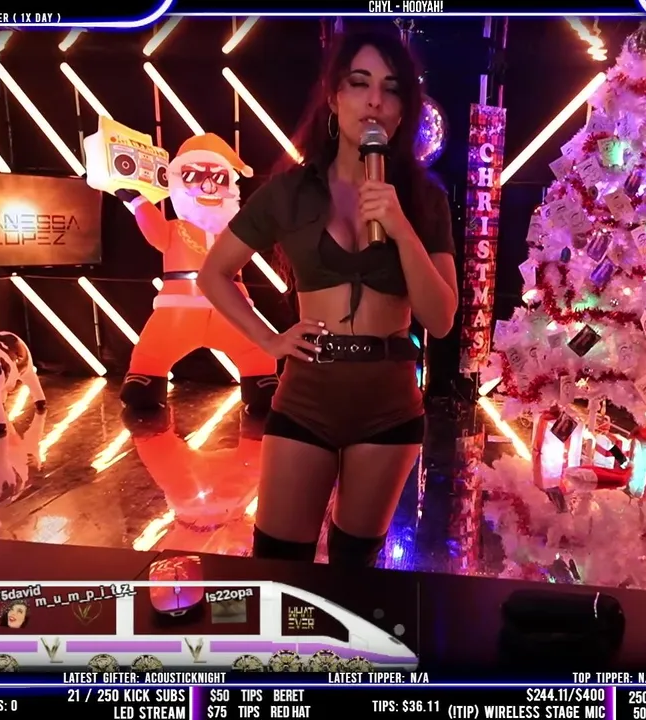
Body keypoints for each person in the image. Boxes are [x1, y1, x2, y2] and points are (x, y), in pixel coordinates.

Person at [197, 31, 458, 567]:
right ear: (334, 96)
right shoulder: (290, 192)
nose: (375, 101)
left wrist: (400, 226)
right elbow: (214, 273)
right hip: (307, 397)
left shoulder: (423, 197)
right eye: (359, 83)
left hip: (389, 403)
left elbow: (440, 318)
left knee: (353, 568)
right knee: (277, 562)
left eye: (391, 88)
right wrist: (269, 340)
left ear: (403, 109)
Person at [112, 133, 279, 414]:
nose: (209, 185)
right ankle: (146, 379)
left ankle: (261, 379)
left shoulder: (236, 230)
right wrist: (136, 200)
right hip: (177, 310)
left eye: (219, 177)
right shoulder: (175, 229)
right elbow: (155, 231)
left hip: (231, 308)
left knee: (255, 350)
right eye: (194, 176)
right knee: (153, 352)